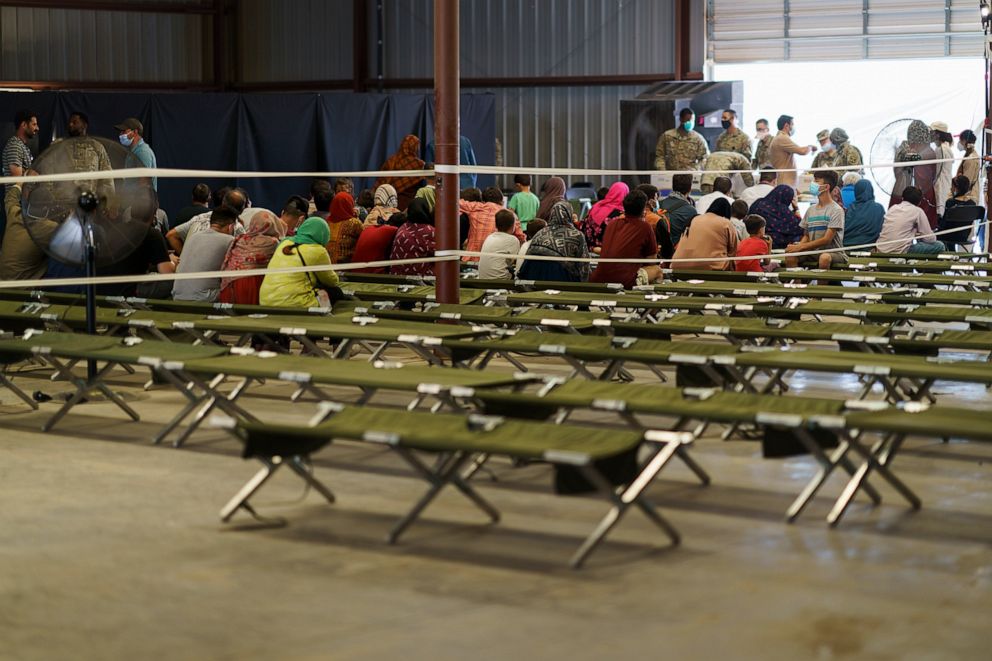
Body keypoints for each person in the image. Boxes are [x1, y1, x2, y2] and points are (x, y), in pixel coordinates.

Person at [95, 186, 176, 298]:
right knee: (175, 284)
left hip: (103, 290)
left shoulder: (115, 229)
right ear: (154, 211)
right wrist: (173, 263)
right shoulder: (152, 234)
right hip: (127, 292)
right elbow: (166, 273)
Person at [260, 217, 340, 308]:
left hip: (265, 301)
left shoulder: (285, 243)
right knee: (334, 293)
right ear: (324, 234)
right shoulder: (318, 250)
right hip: (294, 303)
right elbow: (331, 281)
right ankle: (324, 318)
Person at [590, 190, 660, 288]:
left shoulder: (612, 224)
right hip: (625, 281)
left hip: (598, 278)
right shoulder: (645, 227)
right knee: (657, 270)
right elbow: (651, 261)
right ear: (644, 208)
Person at [218, 210, 285, 305]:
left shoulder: (240, 238)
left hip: (228, 286)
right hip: (250, 286)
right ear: (272, 225)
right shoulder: (272, 242)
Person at [172, 206, 238, 301]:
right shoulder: (230, 241)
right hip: (204, 298)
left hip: (177, 296)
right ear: (231, 226)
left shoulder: (193, 237)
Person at [784, 170, 847, 269]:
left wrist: (801, 247)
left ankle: (821, 285)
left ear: (826, 187)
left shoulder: (836, 210)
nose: (812, 184)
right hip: (812, 251)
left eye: (816, 181)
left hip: (833, 252)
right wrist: (798, 246)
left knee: (824, 257)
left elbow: (827, 240)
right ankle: (798, 284)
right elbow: (807, 235)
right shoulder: (811, 209)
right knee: (790, 256)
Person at [0, 178, 58, 280]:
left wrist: (20, 182)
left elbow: (10, 198)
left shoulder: (14, 214)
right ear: (47, 209)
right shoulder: (48, 228)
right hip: (23, 290)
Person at [519, 201, 591, 282]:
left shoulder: (540, 232)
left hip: (533, 277)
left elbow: (526, 261)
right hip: (560, 279)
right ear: (569, 214)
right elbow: (584, 264)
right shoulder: (577, 235)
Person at [166, 188, 248, 254]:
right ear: (242, 210)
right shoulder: (237, 227)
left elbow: (171, 235)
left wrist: (185, 257)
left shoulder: (200, 218)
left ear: (223, 202)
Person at [890, 120, 938, 228]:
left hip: (921, 191)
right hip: (911, 190)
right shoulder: (928, 151)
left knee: (921, 224)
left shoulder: (928, 152)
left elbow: (919, 163)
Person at [671, 197, 739, 271]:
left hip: (678, 264)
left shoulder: (694, 219)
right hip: (712, 267)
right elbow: (733, 251)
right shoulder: (726, 223)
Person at [459, 186, 524, 261]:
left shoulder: (476, 207)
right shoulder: (511, 215)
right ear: (502, 201)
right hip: (496, 262)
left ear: (483, 201)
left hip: (472, 260)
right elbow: (521, 239)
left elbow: (456, 202)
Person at [877, 186, 944, 255]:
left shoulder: (893, 208)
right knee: (939, 245)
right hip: (899, 251)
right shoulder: (917, 211)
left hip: (881, 249)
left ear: (902, 198)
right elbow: (929, 239)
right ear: (919, 202)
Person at [375, 134, 425, 210]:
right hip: (409, 206)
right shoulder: (419, 165)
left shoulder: (391, 161)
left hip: (388, 204)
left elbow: (381, 182)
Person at [389, 198, 436, 276]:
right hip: (418, 279)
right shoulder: (429, 231)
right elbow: (443, 253)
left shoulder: (403, 227)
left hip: (397, 276)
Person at [769, 115, 818, 189]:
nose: (794, 127)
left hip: (785, 182)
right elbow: (802, 151)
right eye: (792, 124)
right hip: (784, 183)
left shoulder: (779, 138)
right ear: (786, 125)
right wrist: (810, 147)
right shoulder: (782, 138)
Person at [749, 184, 803, 250]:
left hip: (754, 239)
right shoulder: (784, 212)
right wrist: (796, 209)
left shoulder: (758, 202)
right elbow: (801, 226)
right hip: (775, 242)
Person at [654, 107, 709, 171]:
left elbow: (705, 158)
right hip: (671, 175)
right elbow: (659, 156)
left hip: (690, 176)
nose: (690, 122)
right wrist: (662, 170)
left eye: (692, 120)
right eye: (688, 120)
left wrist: (696, 170)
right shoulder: (667, 136)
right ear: (681, 119)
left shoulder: (698, 138)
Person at [583, 181, 629, 251]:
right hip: (608, 252)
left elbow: (584, 224)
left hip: (588, 247)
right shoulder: (622, 214)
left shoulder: (597, 205)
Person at [477, 210, 522, 279]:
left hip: (482, 277)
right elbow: (515, 262)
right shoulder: (512, 240)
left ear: (496, 224)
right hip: (501, 280)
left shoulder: (490, 236)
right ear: (513, 225)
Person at [115, 117, 157, 190]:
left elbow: (144, 181)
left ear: (135, 132)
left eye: (124, 131)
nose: (120, 134)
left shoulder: (143, 152)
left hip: (142, 200)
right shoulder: (133, 151)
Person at [843, 179, 885, 248]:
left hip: (846, 246)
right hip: (868, 247)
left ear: (856, 191)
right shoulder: (879, 208)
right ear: (871, 190)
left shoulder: (850, 208)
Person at [2, 110, 38, 191]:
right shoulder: (15, 146)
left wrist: (26, 171)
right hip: (15, 202)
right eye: (34, 124)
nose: (37, 128)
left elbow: (25, 175)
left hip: (23, 200)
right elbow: (18, 180)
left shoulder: (23, 146)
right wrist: (30, 173)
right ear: (24, 125)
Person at [326, 191, 363, 264]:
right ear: (349, 205)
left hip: (327, 267)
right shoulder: (354, 223)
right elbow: (363, 241)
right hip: (346, 269)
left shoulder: (326, 222)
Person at [660, 173, 698, 244]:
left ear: (673, 186)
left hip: (660, 249)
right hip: (677, 250)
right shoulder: (691, 210)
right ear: (690, 189)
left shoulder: (659, 204)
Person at [930, 121, 955, 219]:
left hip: (940, 186)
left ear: (937, 134)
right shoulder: (946, 148)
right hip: (945, 184)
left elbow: (936, 172)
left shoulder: (940, 149)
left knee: (940, 214)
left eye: (932, 132)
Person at [956, 129, 980, 204]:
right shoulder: (969, 155)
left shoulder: (971, 159)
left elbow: (966, 182)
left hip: (967, 198)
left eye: (960, 140)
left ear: (964, 141)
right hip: (966, 196)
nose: (959, 143)